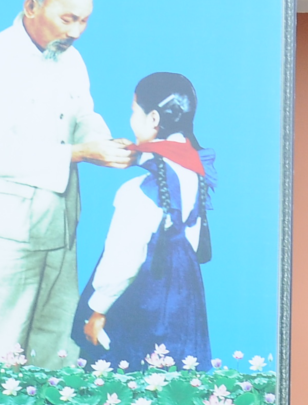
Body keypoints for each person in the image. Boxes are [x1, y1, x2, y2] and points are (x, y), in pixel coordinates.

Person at [0, 0, 130, 367]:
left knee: (56, 341)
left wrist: (103, 142)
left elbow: (83, 114)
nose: (76, 32)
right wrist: (81, 153)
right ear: (31, 6)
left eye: (84, 20)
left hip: (58, 225)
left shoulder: (72, 60)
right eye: (68, 19)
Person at [73, 70, 214, 369]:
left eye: (133, 111)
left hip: (144, 298)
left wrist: (98, 311)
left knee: (128, 370)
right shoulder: (194, 168)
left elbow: (123, 258)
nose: (131, 119)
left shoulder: (139, 190)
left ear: (153, 119)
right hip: (184, 296)